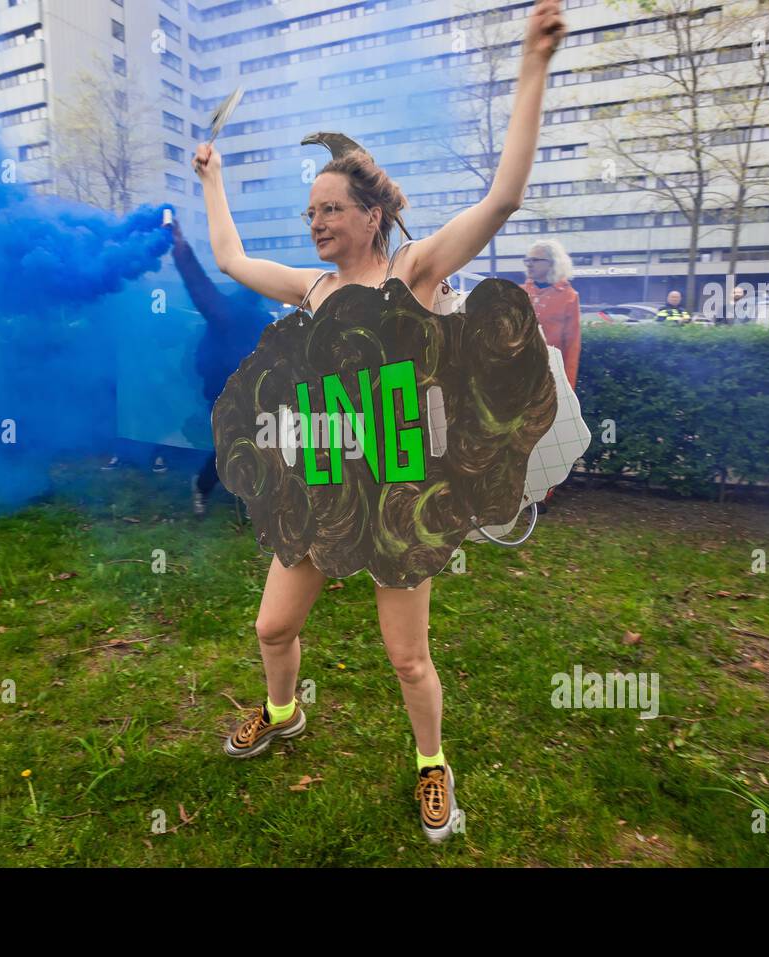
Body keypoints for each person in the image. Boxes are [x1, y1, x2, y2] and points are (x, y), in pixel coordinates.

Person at [191, 0, 567, 843]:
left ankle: (433, 766)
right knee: (272, 624)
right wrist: (211, 180)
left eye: (330, 208)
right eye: (310, 212)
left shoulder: (415, 269)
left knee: (407, 658)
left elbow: (504, 197)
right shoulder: (312, 288)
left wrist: (532, 68)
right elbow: (229, 258)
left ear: (369, 212)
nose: (315, 221)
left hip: (399, 493)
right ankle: (283, 710)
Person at [167, 218, 271, 516]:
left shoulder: (263, 321)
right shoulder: (226, 316)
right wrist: (181, 250)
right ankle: (201, 486)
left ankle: (253, 498)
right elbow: (201, 291)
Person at [520, 239, 580, 512]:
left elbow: (572, 344)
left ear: (551, 263)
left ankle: (542, 495)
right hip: (518, 378)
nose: (529, 265)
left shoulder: (569, 297)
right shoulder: (520, 293)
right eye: (528, 260)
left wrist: (566, 384)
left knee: (547, 437)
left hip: (551, 379)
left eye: (535, 260)